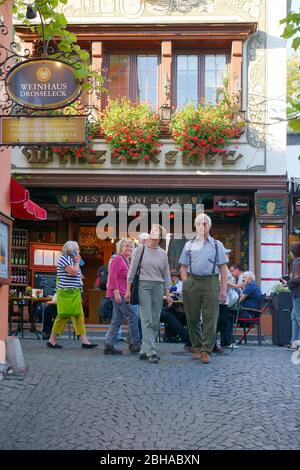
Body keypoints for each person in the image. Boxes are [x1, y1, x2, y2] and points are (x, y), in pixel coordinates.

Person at [179, 213, 228, 364]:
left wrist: (223, 290)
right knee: (192, 317)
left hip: (211, 281)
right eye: (199, 224)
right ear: (196, 226)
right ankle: (197, 347)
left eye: (205, 224)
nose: (202, 226)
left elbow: (224, 269)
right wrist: (186, 283)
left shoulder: (216, 245)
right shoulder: (189, 245)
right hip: (192, 281)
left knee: (210, 318)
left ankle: (206, 350)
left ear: (209, 226)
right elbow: (183, 268)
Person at [126, 224, 172, 364]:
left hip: (158, 287)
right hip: (144, 287)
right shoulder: (140, 250)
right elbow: (132, 271)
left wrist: (168, 293)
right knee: (146, 319)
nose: (153, 231)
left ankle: (143, 350)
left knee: (155, 321)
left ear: (161, 236)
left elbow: (166, 274)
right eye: (152, 229)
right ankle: (151, 352)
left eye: (156, 230)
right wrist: (128, 289)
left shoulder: (163, 253)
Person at [47, 241, 98, 349]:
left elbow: (77, 274)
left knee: (79, 315)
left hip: (74, 292)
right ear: (72, 250)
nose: (79, 251)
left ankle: (84, 340)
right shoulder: (65, 258)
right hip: (66, 292)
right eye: (78, 249)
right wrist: (77, 263)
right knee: (63, 315)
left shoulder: (71, 259)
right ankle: (52, 340)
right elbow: (73, 272)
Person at [104, 238, 141, 354]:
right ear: (120, 247)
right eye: (126, 246)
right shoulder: (118, 259)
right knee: (133, 316)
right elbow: (112, 277)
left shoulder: (126, 260)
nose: (129, 248)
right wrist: (116, 293)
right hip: (118, 293)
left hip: (121, 293)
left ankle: (109, 344)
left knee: (117, 319)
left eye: (131, 246)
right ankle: (135, 344)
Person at [160, 270, 187, 343]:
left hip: (175, 305)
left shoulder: (181, 284)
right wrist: (167, 296)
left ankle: (170, 336)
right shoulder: (165, 284)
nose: (173, 277)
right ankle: (185, 336)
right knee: (171, 315)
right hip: (160, 307)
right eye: (171, 276)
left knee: (179, 314)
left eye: (175, 276)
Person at [282, 243, 300, 350]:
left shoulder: (297, 262)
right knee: (294, 317)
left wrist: (288, 283)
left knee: (298, 318)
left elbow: (298, 278)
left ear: (293, 252)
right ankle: (294, 342)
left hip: (297, 294)